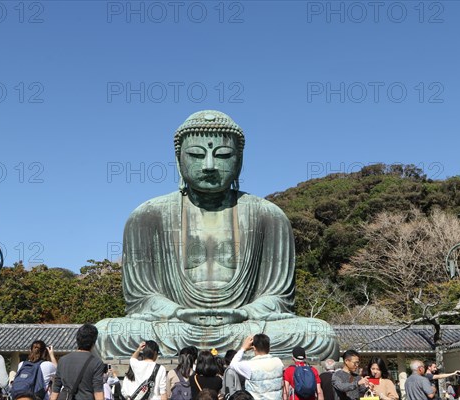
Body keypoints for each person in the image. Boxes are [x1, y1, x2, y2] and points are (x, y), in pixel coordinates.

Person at [95, 110, 339, 359]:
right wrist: (178, 312)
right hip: (176, 325)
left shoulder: (268, 216)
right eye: (196, 155)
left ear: (239, 160)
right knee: (106, 332)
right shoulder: (147, 216)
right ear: (178, 159)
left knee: (318, 334)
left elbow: (278, 298)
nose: (209, 165)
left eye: (222, 155)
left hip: (243, 325)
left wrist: (244, 312)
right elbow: (141, 298)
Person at [50, 324, 105, 400]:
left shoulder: (63, 360)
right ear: (94, 341)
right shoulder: (96, 362)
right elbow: (98, 390)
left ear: (77, 339)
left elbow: (56, 388)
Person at [229, 334, 284, 400]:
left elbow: (232, 364)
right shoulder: (278, 362)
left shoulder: (249, 365)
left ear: (254, 347)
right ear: (269, 347)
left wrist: (243, 348)